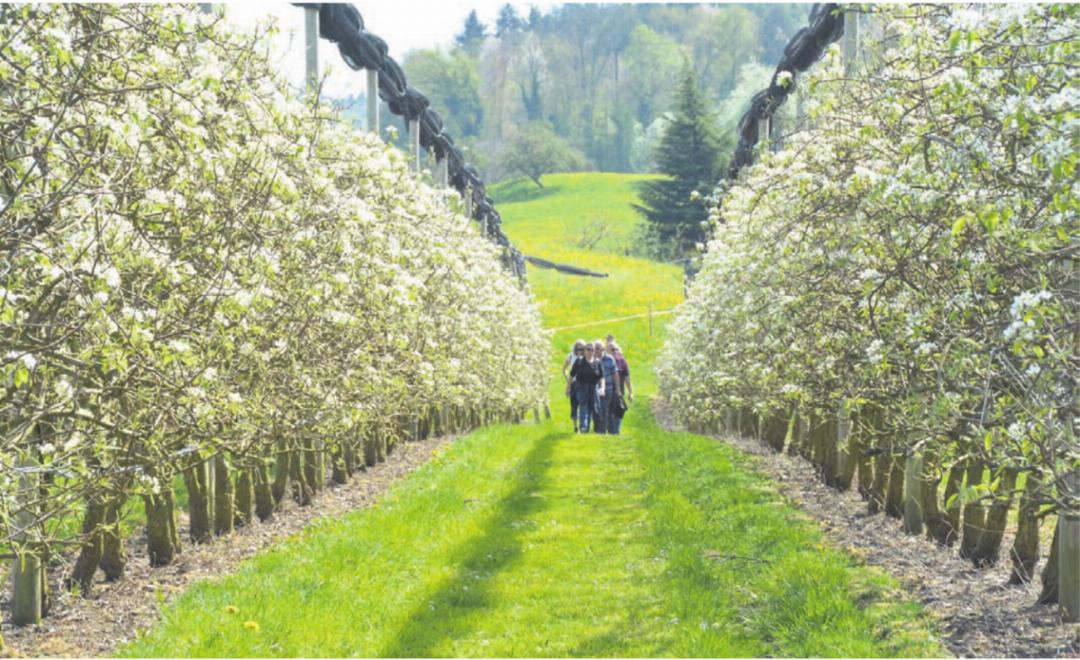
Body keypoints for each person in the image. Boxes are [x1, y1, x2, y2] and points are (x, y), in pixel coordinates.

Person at [570, 343, 601, 433]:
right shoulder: (579, 361)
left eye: (592, 350)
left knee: (595, 408)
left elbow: (601, 377)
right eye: (588, 349)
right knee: (583, 407)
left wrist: (602, 387)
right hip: (581, 387)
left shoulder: (597, 362)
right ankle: (583, 428)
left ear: (594, 351)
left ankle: (596, 429)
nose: (590, 351)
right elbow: (571, 375)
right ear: (585, 351)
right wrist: (568, 388)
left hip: (593, 388)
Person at [595, 340, 620, 434]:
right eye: (595, 349)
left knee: (604, 410)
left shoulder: (610, 359)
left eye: (599, 349)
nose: (597, 351)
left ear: (603, 349)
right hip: (595, 390)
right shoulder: (592, 360)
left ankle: (602, 431)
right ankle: (599, 429)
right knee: (598, 410)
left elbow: (615, 374)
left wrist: (617, 389)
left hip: (608, 389)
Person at [609, 342, 633, 435]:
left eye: (616, 349)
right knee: (609, 412)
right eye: (612, 349)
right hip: (608, 391)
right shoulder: (604, 361)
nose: (614, 351)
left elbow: (627, 378)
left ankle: (616, 431)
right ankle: (610, 432)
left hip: (619, 392)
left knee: (620, 409)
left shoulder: (622, 362)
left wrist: (631, 392)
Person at [563, 340, 587, 430]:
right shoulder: (571, 356)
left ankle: (583, 426)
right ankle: (575, 426)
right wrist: (568, 380)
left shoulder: (587, 357)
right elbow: (564, 369)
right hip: (574, 383)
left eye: (582, 349)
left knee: (583, 404)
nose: (579, 351)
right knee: (574, 405)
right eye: (578, 349)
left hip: (584, 383)